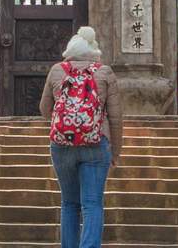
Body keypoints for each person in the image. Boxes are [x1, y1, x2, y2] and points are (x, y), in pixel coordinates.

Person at [38, 26, 122, 248]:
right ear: (94, 51)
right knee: (92, 203)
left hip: (62, 145)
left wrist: (66, 125)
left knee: (69, 203)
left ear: (70, 51)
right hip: (96, 144)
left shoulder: (57, 70)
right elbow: (115, 117)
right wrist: (115, 152)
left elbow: (44, 108)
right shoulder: (104, 72)